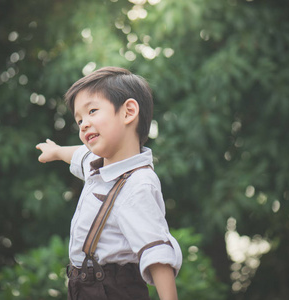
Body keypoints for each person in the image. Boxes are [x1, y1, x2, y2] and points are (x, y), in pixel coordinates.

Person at [36, 67, 182, 300]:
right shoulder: (98, 166)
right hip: (84, 288)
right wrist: (56, 151)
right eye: (79, 119)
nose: (83, 124)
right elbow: (78, 155)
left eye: (92, 111)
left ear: (128, 112)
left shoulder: (138, 184)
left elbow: (157, 253)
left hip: (113, 290)